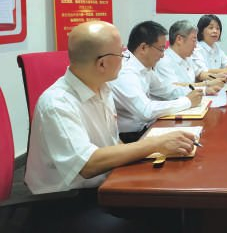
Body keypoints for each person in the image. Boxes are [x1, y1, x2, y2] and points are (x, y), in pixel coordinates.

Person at [25, 21, 198, 193]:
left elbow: (112, 142)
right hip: (68, 198)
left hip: (106, 177)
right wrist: (155, 144)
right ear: (102, 63)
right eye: (121, 54)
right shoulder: (57, 104)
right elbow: (87, 165)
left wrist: (154, 150)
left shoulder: (103, 87)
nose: (125, 59)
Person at [110, 20, 203, 143]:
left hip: (146, 128)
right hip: (130, 137)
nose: (163, 55)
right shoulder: (125, 72)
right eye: (161, 49)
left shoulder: (143, 66)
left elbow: (166, 90)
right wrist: (187, 101)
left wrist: (198, 93)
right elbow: (146, 111)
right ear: (143, 48)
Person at [155, 20, 224, 93]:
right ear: (179, 39)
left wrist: (218, 77)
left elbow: (199, 73)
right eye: (194, 40)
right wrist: (206, 85)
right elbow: (174, 89)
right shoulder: (164, 61)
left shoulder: (187, 57)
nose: (196, 45)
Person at [191, 14, 227, 79]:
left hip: (218, 81)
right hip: (205, 83)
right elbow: (203, 72)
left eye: (218, 28)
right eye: (211, 28)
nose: (215, 31)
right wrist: (225, 70)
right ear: (201, 31)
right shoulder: (196, 49)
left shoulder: (216, 46)